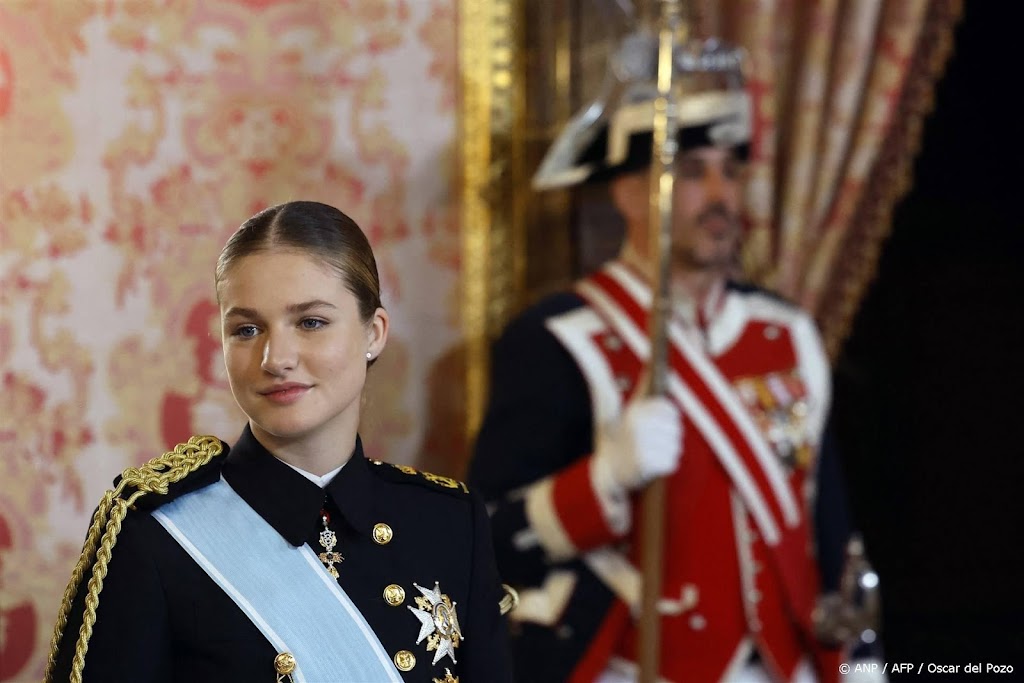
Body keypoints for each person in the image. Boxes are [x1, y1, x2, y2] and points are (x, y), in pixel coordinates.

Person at [468, 32, 877, 683]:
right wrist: (603, 479)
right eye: (690, 172)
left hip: (785, 664)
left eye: (730, 170)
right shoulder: (555, 337)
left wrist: (860, 662)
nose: (720, 193)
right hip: (634, 665)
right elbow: (486, 537)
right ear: (630, 193)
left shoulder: (787, 332)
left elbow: (826, 519)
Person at [47, 200, 514, 683]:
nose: (275, 358)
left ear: (373, 333)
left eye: (311, 322)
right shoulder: (155, 535)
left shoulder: (450, 522)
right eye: (246, 330)